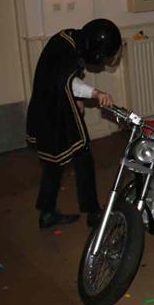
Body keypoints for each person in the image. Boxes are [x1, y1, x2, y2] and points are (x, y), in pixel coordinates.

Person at [26, 19, 121, 228]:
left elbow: (62, 80)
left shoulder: (68, 40)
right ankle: (93, 212)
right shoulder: (66, 52)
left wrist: (75, 98)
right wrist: (95, 93)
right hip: (56, 113)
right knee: (82, 158)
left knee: (53, 162)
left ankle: (47, 213)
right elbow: (68, 82)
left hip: (47, 108)